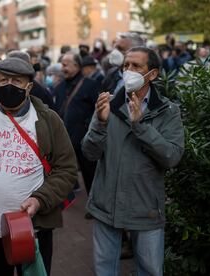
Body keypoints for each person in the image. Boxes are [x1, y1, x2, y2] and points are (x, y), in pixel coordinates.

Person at [0, 57, 77, 276]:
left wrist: (40, 199)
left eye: (17, 81)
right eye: (3, 79)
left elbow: (66, 170)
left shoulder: (48, 120)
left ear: (29, 86)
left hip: (32, 230)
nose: (9, 85)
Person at [81, 47, 185, 276]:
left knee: (149, 270)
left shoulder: (167, 111)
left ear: (153, 74)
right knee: (104, 269)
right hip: (105, 203)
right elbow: (89, 153)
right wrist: (100, 123)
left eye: (136, 66)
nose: (128, 71)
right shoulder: (108, 104)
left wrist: (141, 127)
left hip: (145, 206)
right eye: (125, 65)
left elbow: (172, 156)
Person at [53, 52, 100, 206]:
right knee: (64, 171)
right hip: (65, 139)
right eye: (62, 64)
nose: (63, 68)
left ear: (77, 66)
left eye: (66, 64)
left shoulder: (90, 85)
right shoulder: (59, 87)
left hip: (84, 139)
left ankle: (95, 204)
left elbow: (98, 109)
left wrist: (87, 125)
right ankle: (63, 201)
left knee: (89, 173)